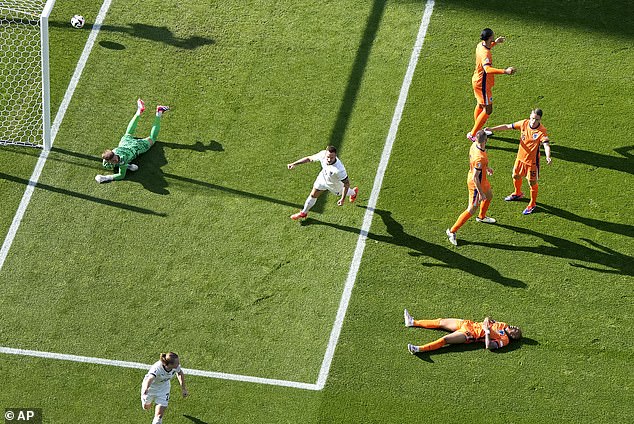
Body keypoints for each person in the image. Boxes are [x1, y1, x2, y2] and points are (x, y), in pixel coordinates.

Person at [485, 109, 552, 215]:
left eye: (536, 119)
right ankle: (517, 193)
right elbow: (507, 126)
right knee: (515, 176)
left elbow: (546, 144)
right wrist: (492, 129)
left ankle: (532, 203)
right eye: (532, 118)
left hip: (532, 163)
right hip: (520, 158)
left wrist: (548, 156)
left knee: (532, 182)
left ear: (540, 119)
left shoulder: (541, 131)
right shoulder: (524, 123)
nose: (534, 121)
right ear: (530, 116)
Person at [95, 99, 170, 183]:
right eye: (113, 160)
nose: (115, 160)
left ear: (114, 154)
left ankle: (159, 112)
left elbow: (121, 175)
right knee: (128, 133)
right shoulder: (112, 156)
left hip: (136, 147)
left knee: (152, 138)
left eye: (114, 159)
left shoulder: (122, 160)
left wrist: (106, 177)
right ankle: (139, 111)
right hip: (124, 143)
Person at [446, 130, 495, 246]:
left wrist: (487, 168)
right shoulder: (480, 158)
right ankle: (452, 231)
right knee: (472, 208)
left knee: (489, 196)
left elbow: (478, 166)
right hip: (476, 184)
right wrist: (480, 193)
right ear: (486, 140)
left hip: (482, 180)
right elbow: (475, 178)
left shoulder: (474, 145)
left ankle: (481, 217)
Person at [467, 28, 516, 142]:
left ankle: (477, 129)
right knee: (488, 110)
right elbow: (487, 69)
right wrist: (505, 71)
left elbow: (487, 47)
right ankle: (473, 134)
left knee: (480, 105)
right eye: (493, 36)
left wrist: (495, 43)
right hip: (482, 85)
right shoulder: (486, 54)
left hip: (478, 81)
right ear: (489, 38)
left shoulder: (480, 45)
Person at [287, 145, 358, 220]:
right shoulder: (322, 154)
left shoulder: (339, 170)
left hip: (334, 185)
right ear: (326, 153)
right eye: (328, 157)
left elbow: (346, 184)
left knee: (345, 192)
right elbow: (309, 158)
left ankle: (353, 193)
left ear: (335, 156)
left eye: (332, 157)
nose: (329, 159)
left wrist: (342, 199)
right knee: (313, 195)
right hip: (322, 179)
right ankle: (303, 213)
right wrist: (294, 164)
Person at [404, 309, 522, 353]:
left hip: (470, 334)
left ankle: (419, 349)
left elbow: (489, 346)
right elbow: (490, 319)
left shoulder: (505, 340)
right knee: (440, 322)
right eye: (517, 328)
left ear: (513, 337)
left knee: (445, 340)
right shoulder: (504, 325)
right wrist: (487, 319)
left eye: (517, 331)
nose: (516, 328)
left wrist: (486, 332)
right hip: (468, 324)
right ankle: (412, 322)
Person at [141, 352, 188, 424]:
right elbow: (150, 378)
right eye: (177, 362)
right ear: (169, 364)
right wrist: (146, 389)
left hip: (163, 389)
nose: (179, 364)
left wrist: (183, 388)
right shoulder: (157, 368)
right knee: (146, 407)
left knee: (158, 417)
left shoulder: (176, 367)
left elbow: (180, 373)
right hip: (151, 389)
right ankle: (147, 402)